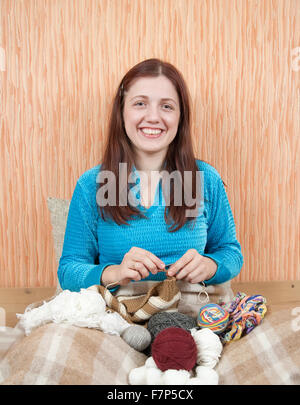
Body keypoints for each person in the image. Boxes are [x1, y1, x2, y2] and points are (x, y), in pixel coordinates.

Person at [58, 58, 243, 292]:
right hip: (118, 316)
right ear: (121, 112)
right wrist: (114, 272)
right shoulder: (91, 185)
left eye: (167, 106)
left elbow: (231, 253)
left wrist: (209, 266)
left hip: (191, 314)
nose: (154, 117)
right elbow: (68, 270)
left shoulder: (206, 179)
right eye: (140, 104)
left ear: (180, 117)